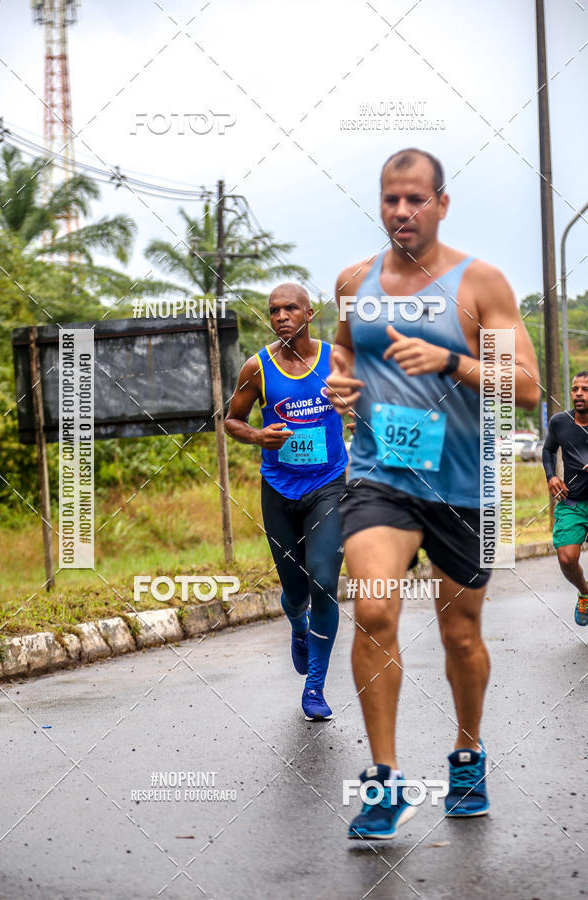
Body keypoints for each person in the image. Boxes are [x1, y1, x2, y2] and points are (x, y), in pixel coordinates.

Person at [325, 148, 540, 838]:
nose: (402, 211)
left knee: (460, 633)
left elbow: (530, 388)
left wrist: (451, 359)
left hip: (462, 482)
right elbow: (346, 349)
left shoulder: (480, 284)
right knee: (375, 609)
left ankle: (468, 749)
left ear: (441, 204)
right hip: (381, 477)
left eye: (416, 199)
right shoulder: (355, 281)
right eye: (391, 199)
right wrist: (342, 383)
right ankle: (385, 782)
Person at [225, 283, 349, 720]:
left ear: (309, 313)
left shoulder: (337, 360)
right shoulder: (256, 367)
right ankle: (297, 625)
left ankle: (314, 688)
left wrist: (356, 411)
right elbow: (232, 421)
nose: (280, 316)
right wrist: (259, 435)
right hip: (278, 490)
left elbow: (368, 404)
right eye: (274, 310)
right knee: (295, 593)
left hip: (329, 486)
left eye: (289, 308)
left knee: (323, 581)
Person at [543, 371, 588, 626]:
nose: (579, 394)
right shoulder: (560, 422)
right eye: (575, 389)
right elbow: (548, 449)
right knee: (566, 558)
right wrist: (551, 475)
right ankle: (585, 592)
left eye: (585, 389)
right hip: (573, 503)